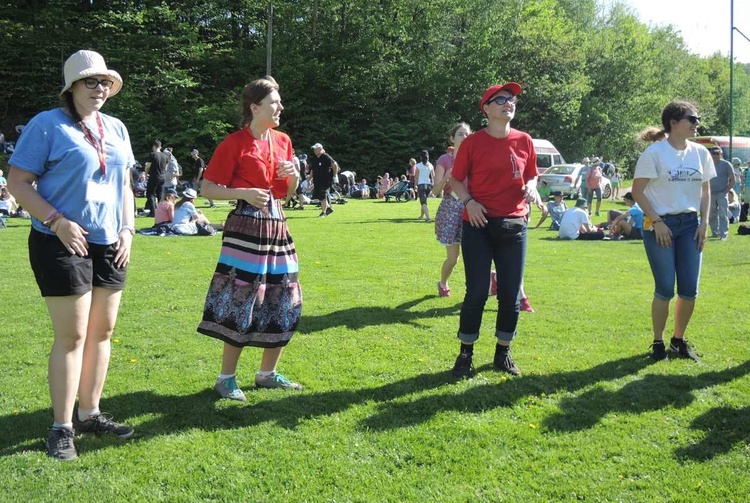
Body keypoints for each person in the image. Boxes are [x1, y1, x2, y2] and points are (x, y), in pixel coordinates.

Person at [7, 49, 136, 461]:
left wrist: (129, 229)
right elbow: (18, 183)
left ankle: (90, 413)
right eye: (90, 82)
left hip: (109, 241)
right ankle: (61, 427)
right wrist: (57, 220)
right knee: (73, 335)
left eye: (104, 82)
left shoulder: (116, 128)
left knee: (103, 332)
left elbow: (126, 188)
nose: (99, 88)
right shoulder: (47, 125)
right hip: (60, 240)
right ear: (72, 87)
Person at [197, 75, 303, 400]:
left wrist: (295, 177)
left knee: (284, 296)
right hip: (245, 229)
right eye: (274, 102)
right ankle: (226, 378)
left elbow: (287, 192)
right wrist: (242, 191)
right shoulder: (234, 144)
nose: (280, 107)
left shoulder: (283, 140)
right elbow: (207, 188)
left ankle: (267, 373)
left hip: (276, 225)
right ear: (255, 108)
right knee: (242, 298)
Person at [448, 82, 539, 378]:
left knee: (511, 293)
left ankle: (503, 352)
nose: (507, 103)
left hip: (514, 224)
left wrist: (531, 187)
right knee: (476, 291)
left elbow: (532, 176)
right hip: (478, 223)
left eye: (511, 99)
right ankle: (465, 354)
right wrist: (469, 202)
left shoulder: (524, 140)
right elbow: (456, 181)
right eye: (500, 99)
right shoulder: (473, 143)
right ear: (486, 109)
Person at [632, 100, 714, 362]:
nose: (696, 124)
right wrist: (657, 221)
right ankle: (658, 343)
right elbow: (637, 191)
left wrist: (704, 224)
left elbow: (705, 191)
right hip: (660, 225)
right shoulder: (655, 153)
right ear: (674, 123)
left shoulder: (701, 152)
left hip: (691, 225)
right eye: (692, 119)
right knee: (665, 288)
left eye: (697, 119)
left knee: (689, 289)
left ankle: (678, 341)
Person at [432, 122, 471, 297]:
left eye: (467, 134)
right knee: (453, 259)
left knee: (476, 256)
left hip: (472, 208)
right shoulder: (444, 160)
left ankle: (482, 287)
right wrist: (446, 178)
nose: (465, 137)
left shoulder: (475, 158)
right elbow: (434, 191)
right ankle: (443, 282)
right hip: (450, 210)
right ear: (452, 138)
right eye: (461, 134)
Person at [708, 146, 734, 241]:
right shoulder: (707, 164)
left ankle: (724, 234)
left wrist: (725, 192)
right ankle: (715, 232)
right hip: (710, 193)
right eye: (713, 153)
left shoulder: (726, 164)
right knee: (712, 214)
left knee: (723, 214)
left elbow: (732, 180)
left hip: (722, 193)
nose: (715, 155)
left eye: (717, 153)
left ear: (721, 154)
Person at [310, 142, 337, 217]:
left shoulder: (325, 156)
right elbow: (313, 169)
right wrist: (309, 179)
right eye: (314, 149)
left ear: (320, 149)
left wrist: (334, 176)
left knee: (323, 195)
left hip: (325, 180)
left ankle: (324, 212)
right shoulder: (315, 158)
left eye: (316, 149)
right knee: (320, 196)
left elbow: (334, 165)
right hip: (317, 180)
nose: (314, 150)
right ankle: (328, 208)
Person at [143, 139, 167, 216]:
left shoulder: (152, 155)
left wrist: (145, 174)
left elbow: (148, 166)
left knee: (150, 194)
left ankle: (152, 212)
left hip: (154, 176)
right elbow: (165, 168)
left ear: (154, 146)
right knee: (160, 195)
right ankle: (161, 212)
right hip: (162, 177)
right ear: (160, 146)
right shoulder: (164, 156)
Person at [415, 150, 434, 222]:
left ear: (421, 157)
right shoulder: (431, 165)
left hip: (421, 185)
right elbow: (433, 176)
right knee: (424, 201)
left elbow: (416, 177)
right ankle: (422, 215)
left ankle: (428, 217)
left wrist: (415, 185)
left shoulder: (418, 165)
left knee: (423, 202)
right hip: (428, 185)